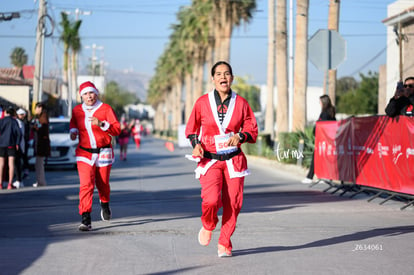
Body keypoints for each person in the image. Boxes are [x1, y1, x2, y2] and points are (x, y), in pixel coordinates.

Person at [185, 61, 258, 257]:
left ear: (232, 78)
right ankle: (208, 224)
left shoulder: (241, 103)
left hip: (233, 161)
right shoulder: (202, 102)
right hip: (210, 160)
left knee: (233, 203)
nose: (223, 77)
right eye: (218, 74)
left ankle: (224, 242)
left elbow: (251, 128)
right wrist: (196, 144)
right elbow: (191, 128)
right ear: (213, 79)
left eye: (227, 74)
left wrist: (241, 136)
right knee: (210, 200)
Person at [70, 81, 121, 231]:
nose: (89, 96)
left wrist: (102, 124)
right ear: (81, 96)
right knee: (86, 185)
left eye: (91, 93)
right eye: (85, 94)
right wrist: (73, 131)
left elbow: (117, 129)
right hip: (84, 152)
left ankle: (105, 204)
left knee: (103, 183)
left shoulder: (105, 109)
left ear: (96, 93)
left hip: (103, 151)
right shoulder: (77, 110)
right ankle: (86, 218)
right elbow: (73, 123)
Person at [302, 95, 336, 184]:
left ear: (324, 102)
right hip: (328, 140)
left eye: (320, 102)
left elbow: (322, 125)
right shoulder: (331, 112)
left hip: (323, 140)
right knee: (323, 158)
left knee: (316, 157)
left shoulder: (325, 113)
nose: (319, 103)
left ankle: (310, 177)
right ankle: (325, 177)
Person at [0, 107, 22, 190]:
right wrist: (17, 143)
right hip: (11, 144)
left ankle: (0, 183)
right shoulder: (14, 121)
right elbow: (19, 133)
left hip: (1, 144)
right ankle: (9, 184)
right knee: (11, 164)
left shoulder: (1, 121)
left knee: (1, 164)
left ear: (5, 112)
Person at [31, 102, 50, 187]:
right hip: (40, 143)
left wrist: (35, 127)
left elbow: (42, 128)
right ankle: (40, 181)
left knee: (39, 164)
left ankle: (41, 181)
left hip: (41, 144)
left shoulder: (43, 116)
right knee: (38, 164)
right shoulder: (40, 117)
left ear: (40, 108)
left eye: (37, 108)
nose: (36, 110)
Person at [12, 108, 27, 188]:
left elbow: (20, 135)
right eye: (21, 114)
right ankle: (19, 180)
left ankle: (18, 180)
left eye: (23, 114)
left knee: (17, 164)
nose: (22, 116)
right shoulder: (18, 122)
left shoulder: (20, 122)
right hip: (19, 145)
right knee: (17, 164)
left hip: (19, 146)